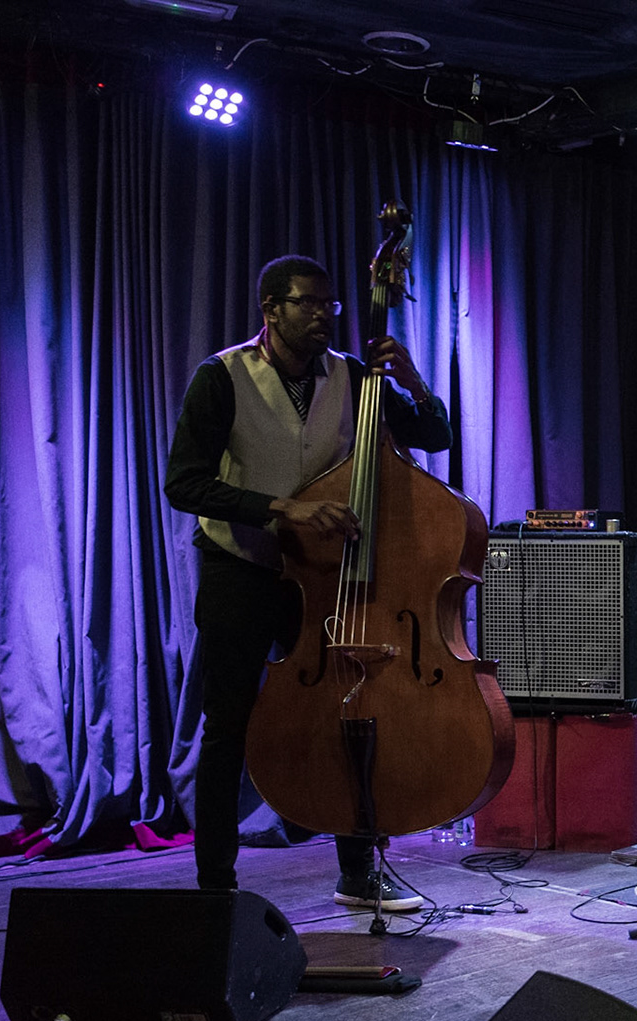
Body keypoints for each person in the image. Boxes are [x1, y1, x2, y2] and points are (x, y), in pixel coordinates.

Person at [165, 254, 453, 911]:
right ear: (271, 309)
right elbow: (184, 483)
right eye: (308, 303)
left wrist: (410, 379)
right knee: (227, 723)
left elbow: (435, 436)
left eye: (331, 305)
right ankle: (215, 884)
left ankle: (357, 873)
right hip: (241, 566)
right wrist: (280, 507)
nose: (324, 314)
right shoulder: (222, 376)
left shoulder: (354, 376)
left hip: (324, 577)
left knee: (345, 712)